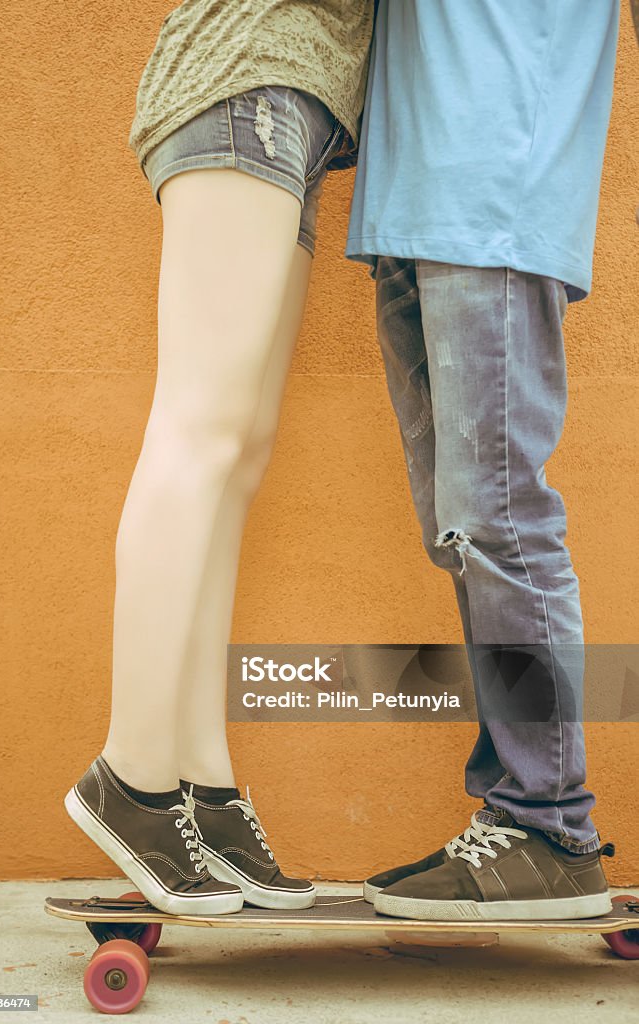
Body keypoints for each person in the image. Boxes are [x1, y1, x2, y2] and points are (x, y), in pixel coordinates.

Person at [65, 0, 374, 915]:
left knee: (236, 457)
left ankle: (203, 783)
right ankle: (132, 774)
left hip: (299, 109)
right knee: (198, 432)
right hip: (251, 77)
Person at [345, 0, 621, 921]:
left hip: (495, 195)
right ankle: (520, 815)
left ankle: (547, 825)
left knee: (501, 521)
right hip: (404, 207)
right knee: (464, 536)